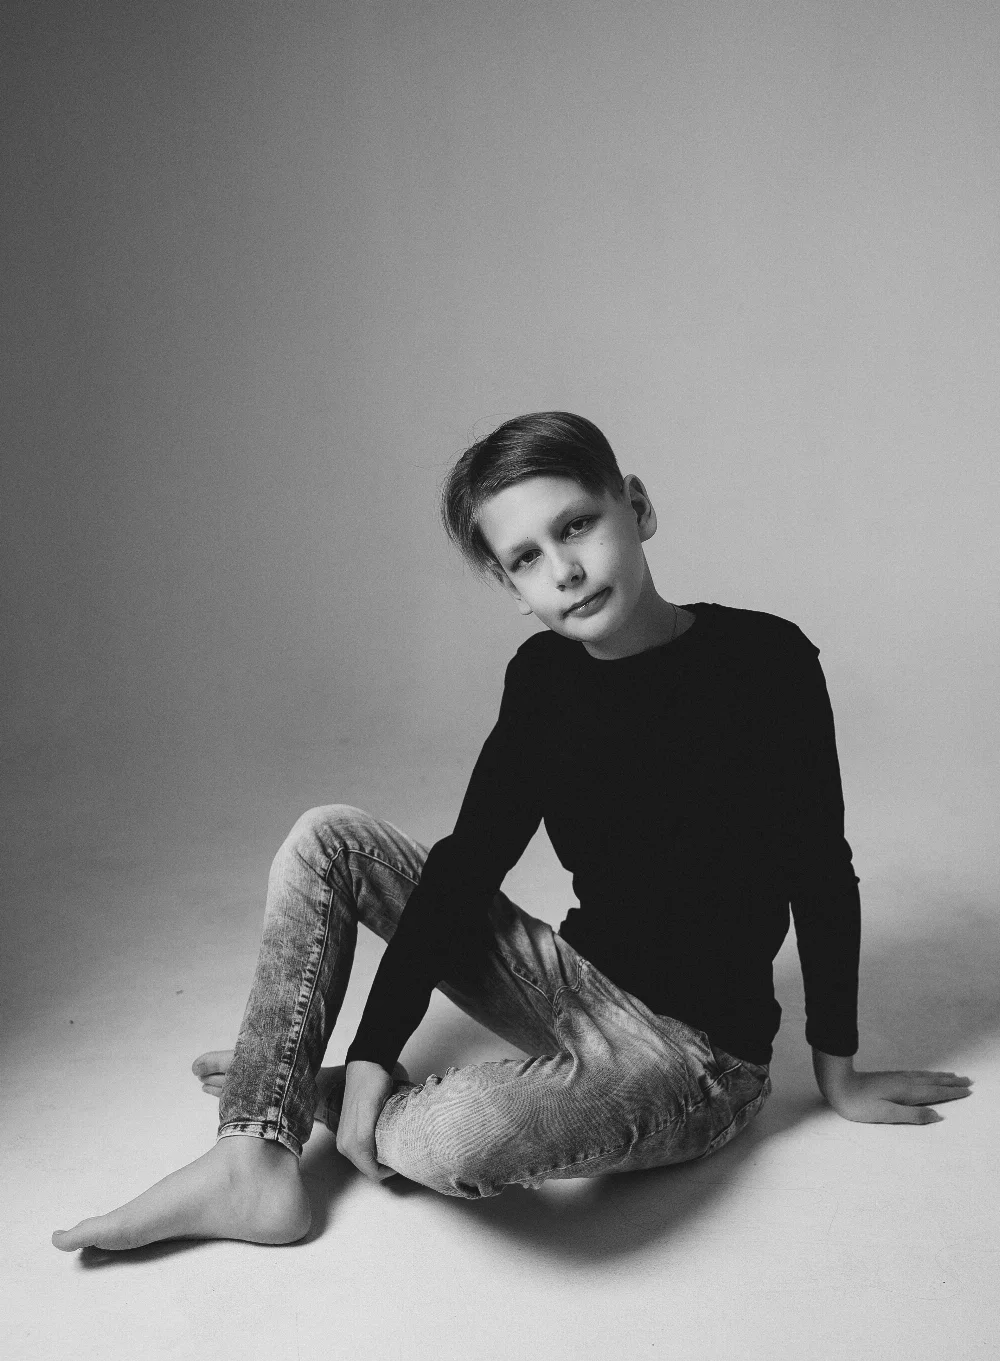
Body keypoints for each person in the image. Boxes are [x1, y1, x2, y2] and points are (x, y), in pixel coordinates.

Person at [52, 411, 973, 1252]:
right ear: (509, 585)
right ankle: (253, 1158)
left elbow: (821, 869)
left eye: (577, 526)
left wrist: (839, 1072)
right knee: (329, 837)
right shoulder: (543, 680)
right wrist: (375, 1048)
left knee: (458, 1139)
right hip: (573, 984)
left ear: (637, 508)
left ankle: (299, 1085)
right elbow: (467, 866)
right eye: (527, 558)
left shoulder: (767, 661)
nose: (563, 569)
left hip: (696, 1062)